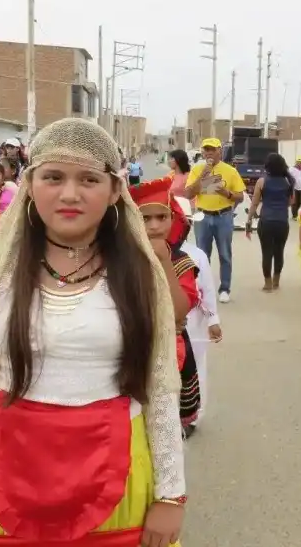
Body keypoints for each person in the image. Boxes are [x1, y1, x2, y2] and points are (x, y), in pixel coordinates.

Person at [0, 118, 188, 547]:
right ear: (30, 185)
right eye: (53, 177)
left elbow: (160, 388)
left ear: (114, 191)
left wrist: (170, 495)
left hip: (117, 470)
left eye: (89, 178)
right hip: (8, 472)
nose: (70, 194)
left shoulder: (139, 273)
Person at [128, 178, 202, 437]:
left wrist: (164, 262)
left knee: (164, 423)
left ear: (174, 219)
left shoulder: (181, 262)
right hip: (129, 347)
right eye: (145, 219)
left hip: (171, 349)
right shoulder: (121, 259)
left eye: (162, 217)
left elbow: (180, 311)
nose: (154, 226)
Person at [183, 137, 246, 304]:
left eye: (212, 149)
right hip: (203, 216)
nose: (209, 152)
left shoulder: (230, 171)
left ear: (220, 151)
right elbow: (189, 194)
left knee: (225, 254)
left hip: (223, 216)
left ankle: (224, 289)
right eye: (206, 150)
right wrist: (202, 177)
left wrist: (228, 194)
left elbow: (240, 195)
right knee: (202, 254)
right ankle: (204, 288)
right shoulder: (197, 169)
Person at [181, 212, 222, 431]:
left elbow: (207, 289)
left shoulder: (197, 255)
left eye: (188, 222)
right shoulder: (150, 251)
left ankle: (194, 415)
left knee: (195, 365)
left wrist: (213, 320)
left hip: (194, 320)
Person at [247, 153, 294, 291]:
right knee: (279, 252)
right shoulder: (288, 181)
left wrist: (249, 219)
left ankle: (267, 283)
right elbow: (292, 202)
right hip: (282, 222)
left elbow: (254, 203)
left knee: (266, 252)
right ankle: (276, 281)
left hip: (266, 221)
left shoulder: (261, 181)